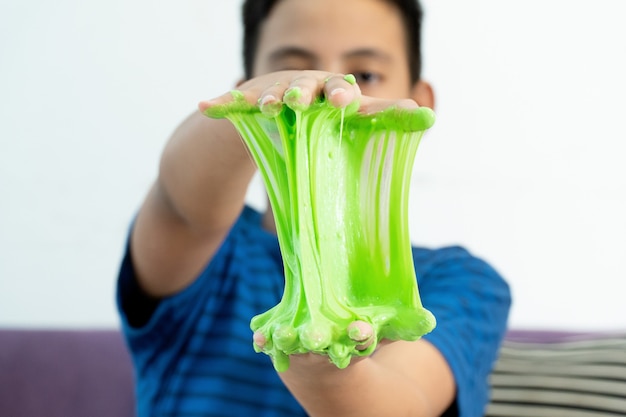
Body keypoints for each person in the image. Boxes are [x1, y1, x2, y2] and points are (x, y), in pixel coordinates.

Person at [116, 0, 511, 416]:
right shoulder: (210, 256)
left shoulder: (462, 283)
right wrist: (256, 106)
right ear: (246, 87)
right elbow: (182, 204)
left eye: (366, 75)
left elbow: (407, 401)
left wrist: (322, 373)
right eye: (291, 68)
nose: (327, 91)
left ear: (418, 101)